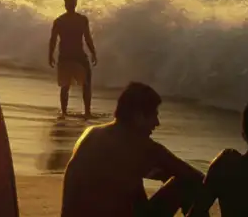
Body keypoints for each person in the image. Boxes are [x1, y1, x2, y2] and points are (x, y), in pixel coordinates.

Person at [61, 82, 204, 217]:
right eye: (154, 114)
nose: (157, 123)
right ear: (138, 116)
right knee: (186, 183)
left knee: (137, 182)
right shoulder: (140, 146)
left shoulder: (91, 134)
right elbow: (196, 177)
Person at [49, 0, 97, 118]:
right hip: (77, 56)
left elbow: (53, 40)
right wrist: (93, 53)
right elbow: (87, 38)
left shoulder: (60, 21)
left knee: (66, 85)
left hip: (66, 56)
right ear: (74, 4)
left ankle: (65, 112)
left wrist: (50, 55)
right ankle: (87, 112)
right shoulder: (81, 19)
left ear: (66, 5)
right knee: (84, 84)